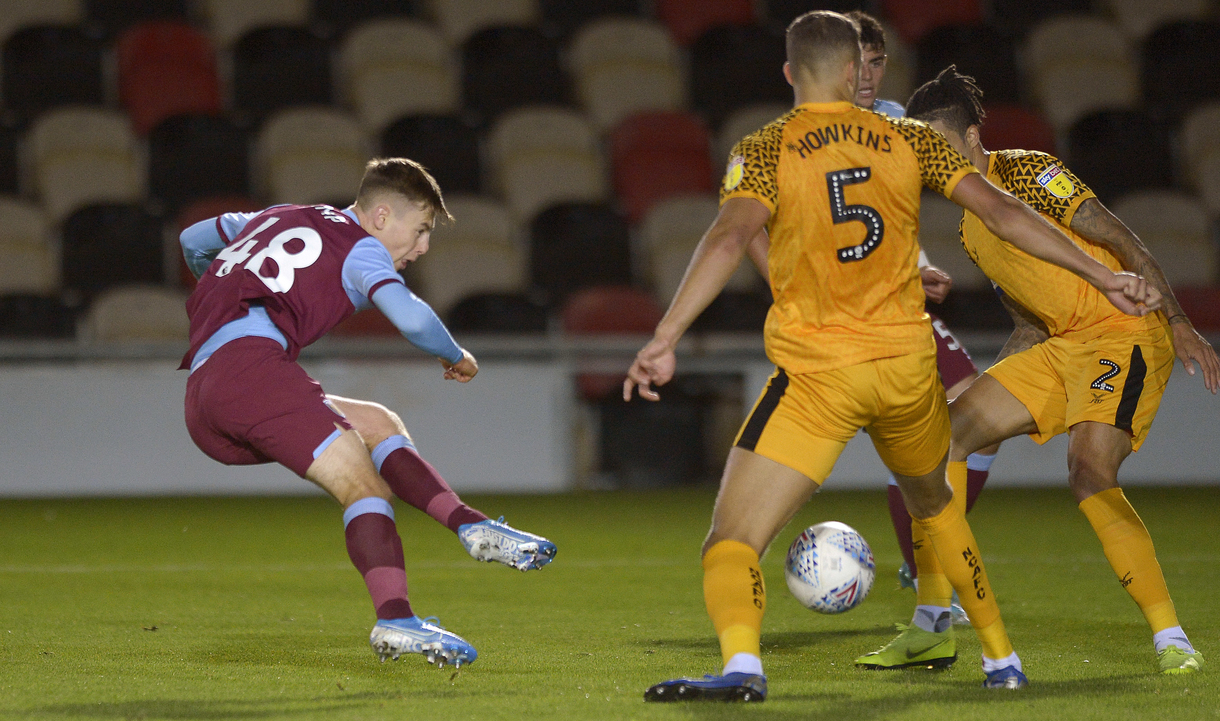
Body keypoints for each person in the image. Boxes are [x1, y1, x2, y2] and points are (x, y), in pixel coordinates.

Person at [624, 11, 1161, 701]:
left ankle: (742, 668)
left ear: (790, 73)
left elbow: (728, 239)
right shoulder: (911, 139)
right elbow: (1002, 211)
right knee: (936, 504)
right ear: (855, 73)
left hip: (821, 375)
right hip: (906, 369)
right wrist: (1102, 275)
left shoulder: (762, 149)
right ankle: (1001, 657)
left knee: (731, 539)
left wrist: (665, 336)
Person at [859, 66, 1216, 675]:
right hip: (1062, 346)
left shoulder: (1025, 171)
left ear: (971, 136)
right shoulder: (972, 223)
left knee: (1089, 470)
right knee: (933, 444)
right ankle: (932, 624)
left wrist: (1179, 319)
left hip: (1123, 333)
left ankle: (1172, 639)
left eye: (935, 146)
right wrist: (1005, 381)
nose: (929, 163)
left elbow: (1122, 238)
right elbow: (1031, 314)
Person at [179, 157, 557, 669]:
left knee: (377, 423)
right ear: (381, 217)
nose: (422, 248)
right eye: (420, 229)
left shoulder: (279, 215)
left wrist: (222, 292)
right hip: (252, 373)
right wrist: (455, 356)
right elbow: (411, 316)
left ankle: (471, 527)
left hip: (207, 389)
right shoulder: (360, 248)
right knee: (365, 486)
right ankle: (396, 620)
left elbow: (193, 240)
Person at [849, 9, 1002, 607]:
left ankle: (923, 568)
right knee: (920, 439)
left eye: (877, 60)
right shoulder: (804, 132)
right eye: (854, 61)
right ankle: (927, 574)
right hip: (843, 312)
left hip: (900, 304)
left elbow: (886, 215)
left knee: (976, 424)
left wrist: (915, 265)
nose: (867, 73)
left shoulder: (896, 123)